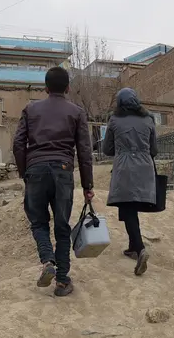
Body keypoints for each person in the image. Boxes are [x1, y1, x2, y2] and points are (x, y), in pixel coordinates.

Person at [12, 67, 94, 297]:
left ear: (46, 88)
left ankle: (47, 260)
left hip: (35, 169)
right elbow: (85, 151)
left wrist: (25, 172)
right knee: (61, 227)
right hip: (64, 171)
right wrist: (88, 185)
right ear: (68, 88)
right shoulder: (76, 112)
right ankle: (62, 281)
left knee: (38, 222)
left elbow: (18, 145)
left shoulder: (30, 109)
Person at [101, 88, 157, 276]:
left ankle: (140, 248)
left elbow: (107, 149)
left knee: (128, 207)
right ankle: (133, 246)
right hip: (144, 167)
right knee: (130, 208)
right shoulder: (149, 119)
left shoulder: (114, 120)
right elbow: (154, 149)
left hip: (125, 167)